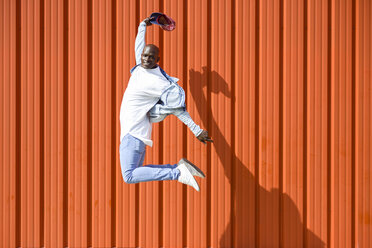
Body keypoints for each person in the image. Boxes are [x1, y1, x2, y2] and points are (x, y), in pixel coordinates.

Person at [119, 16, 213, 192]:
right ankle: (177, 167)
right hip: (134, 135)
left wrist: (196, 130)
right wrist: (143, 25)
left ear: (158, 59)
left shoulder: (158, 82)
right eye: (145, 55)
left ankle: (177, 173)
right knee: (135, 172)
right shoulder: (140, 67)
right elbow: (139, 44)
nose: (147, 59)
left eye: (151, 57)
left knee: (129, 175)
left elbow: (178, 109)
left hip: (132, 135)